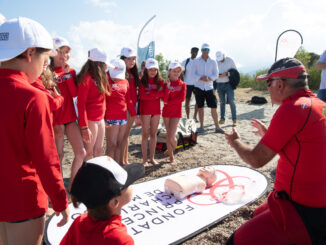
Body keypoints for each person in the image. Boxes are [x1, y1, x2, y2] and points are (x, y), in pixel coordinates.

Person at [225, 58, 326, 245]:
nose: (267, 88)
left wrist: (236, 142)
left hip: (300, 211)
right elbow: (306, 152)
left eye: (268, 83)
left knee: (235, 241)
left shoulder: (292, 109)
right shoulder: (319, 104)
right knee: (257, 213)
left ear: (280, 84)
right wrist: (271, 136)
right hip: (316, 202)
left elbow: (256, 160)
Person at [0, 17, 69, 245]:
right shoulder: (32, 97)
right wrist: (60, 201)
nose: (43, 67)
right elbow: (46, 158)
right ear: (30, 53)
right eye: (44, 59)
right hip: (22, 200)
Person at [60, 156, 145, 245]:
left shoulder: (79, 222)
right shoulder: (120, 240)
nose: (131, 185)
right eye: (127, 184)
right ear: (114, 202)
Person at [50, 36, 86, 190]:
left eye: (66, 52)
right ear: (52, 53)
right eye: (61, 52)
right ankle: (56, 188)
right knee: (58, 155)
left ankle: (72, 186)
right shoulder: (46, 71)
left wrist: (67, 75)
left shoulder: (71, 71)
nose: (64, 55)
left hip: (70, 118)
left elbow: (74, 93)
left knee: (81, 152)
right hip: (55, 119)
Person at [77, 48, 110, 161]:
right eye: (104, 64)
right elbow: (81, 104)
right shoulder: (86, 78)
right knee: (89, 152)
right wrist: (84, 127)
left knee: (99, 150)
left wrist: (104, 118)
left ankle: (95, 175)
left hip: (100, 119)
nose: (106, 66)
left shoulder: (100, 77)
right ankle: (86, 177)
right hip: (90, 120)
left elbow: (102, 100)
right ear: (99, 64)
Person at [105, 59, 137, 164]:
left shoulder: (125, 81)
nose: (115, 78)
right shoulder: (104, 80)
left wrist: (134, 115)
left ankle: (118, 166)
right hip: (110, 117)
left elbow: (128, 100)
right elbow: (102, 100)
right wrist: (103, 118)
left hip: (123, 117)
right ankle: (109, 169)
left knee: (119, 143)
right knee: (111, 145)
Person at [192, 43, 223, 133]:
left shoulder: (213, 61)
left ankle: (217, 127)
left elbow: (216, 74)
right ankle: (201, 126)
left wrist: (209, 78)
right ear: (201, 50)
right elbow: (193, 73)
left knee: (214, 107)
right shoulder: (196, 61)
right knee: (200, 107)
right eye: (204, 49)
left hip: (209, 87)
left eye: (207, 50)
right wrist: (201, 78)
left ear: (209, 51)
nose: (206, 51)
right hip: (199, 87)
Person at [139, 58, 164, 166]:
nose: (153, 72)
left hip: (156, 111)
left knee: (153, 134)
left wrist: (151, 95)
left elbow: (162, 94)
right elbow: (142, 96)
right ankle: (145, 160)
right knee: (145, 135)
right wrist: (155, 95)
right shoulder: (142, 81)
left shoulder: (160, 82)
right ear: (146, 70)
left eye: (155, 69)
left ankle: (152, 158)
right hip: (145, 111)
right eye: (150, 69)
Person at [119, 47, 141, 165]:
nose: (132, 61)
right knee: (122, 137)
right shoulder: (119, 72)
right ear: (122, 59)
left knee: (126, 136)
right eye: (129, 59)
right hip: (124, 107)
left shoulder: (134, 73)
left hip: (132, 107)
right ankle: (121, 161)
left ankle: (125, 159)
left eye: (133, 59)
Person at [162, 62, 186, 165]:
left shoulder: (182, 84)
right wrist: (167, 87)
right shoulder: (165, 83)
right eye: (174, 71)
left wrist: (169, 102)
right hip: (166, 112)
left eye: (178, 71)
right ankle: (171, 156)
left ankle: (171, 154)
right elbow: (164, 99)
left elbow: (181, 99)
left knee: (172, 136)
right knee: (169, 135)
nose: (176, 73)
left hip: (176, 112)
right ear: (169, 71)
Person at [214, 51, 238, 127]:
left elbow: (235, 72)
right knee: (222, 102)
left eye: (221, 58)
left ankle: (234, 119)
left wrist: (227, 74)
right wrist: (217, 75)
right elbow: (213, 73)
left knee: (231, 101)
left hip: (228, 84)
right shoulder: (216, 62)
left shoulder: (230, 60)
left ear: (224, 55)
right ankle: (222, 118)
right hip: (219, 84)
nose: (220, 60)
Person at [181, 47, 199, 121]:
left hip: (197, 84)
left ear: (197, 53)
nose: (194, 53)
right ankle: (188, 117)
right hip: (187, 84)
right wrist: (182, 81)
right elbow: (180, 72)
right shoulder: (186, 61)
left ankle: (195, 116)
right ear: (190, 52)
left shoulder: (199, 62)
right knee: (187, 101)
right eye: (193, 51)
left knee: (198, 101)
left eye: (196, 52)